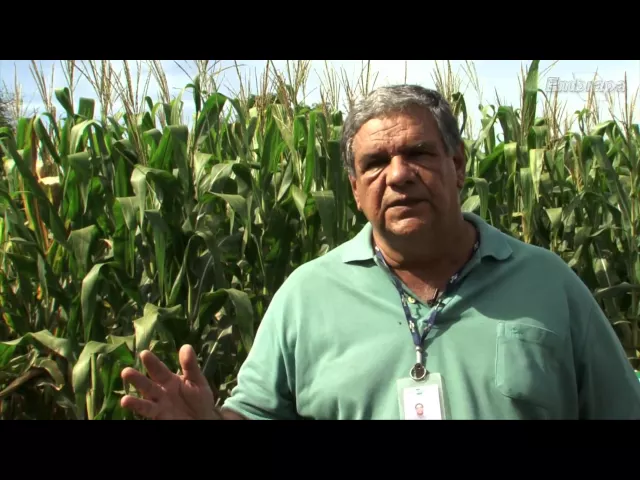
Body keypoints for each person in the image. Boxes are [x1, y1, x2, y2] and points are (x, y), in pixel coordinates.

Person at [120, 84, 640, 420]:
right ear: (354, 188)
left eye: (418, 153)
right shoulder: (307, 295)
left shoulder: (547, 282)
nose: (398, 175)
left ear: (458, 165)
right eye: (374, 162)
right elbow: (256, 413)